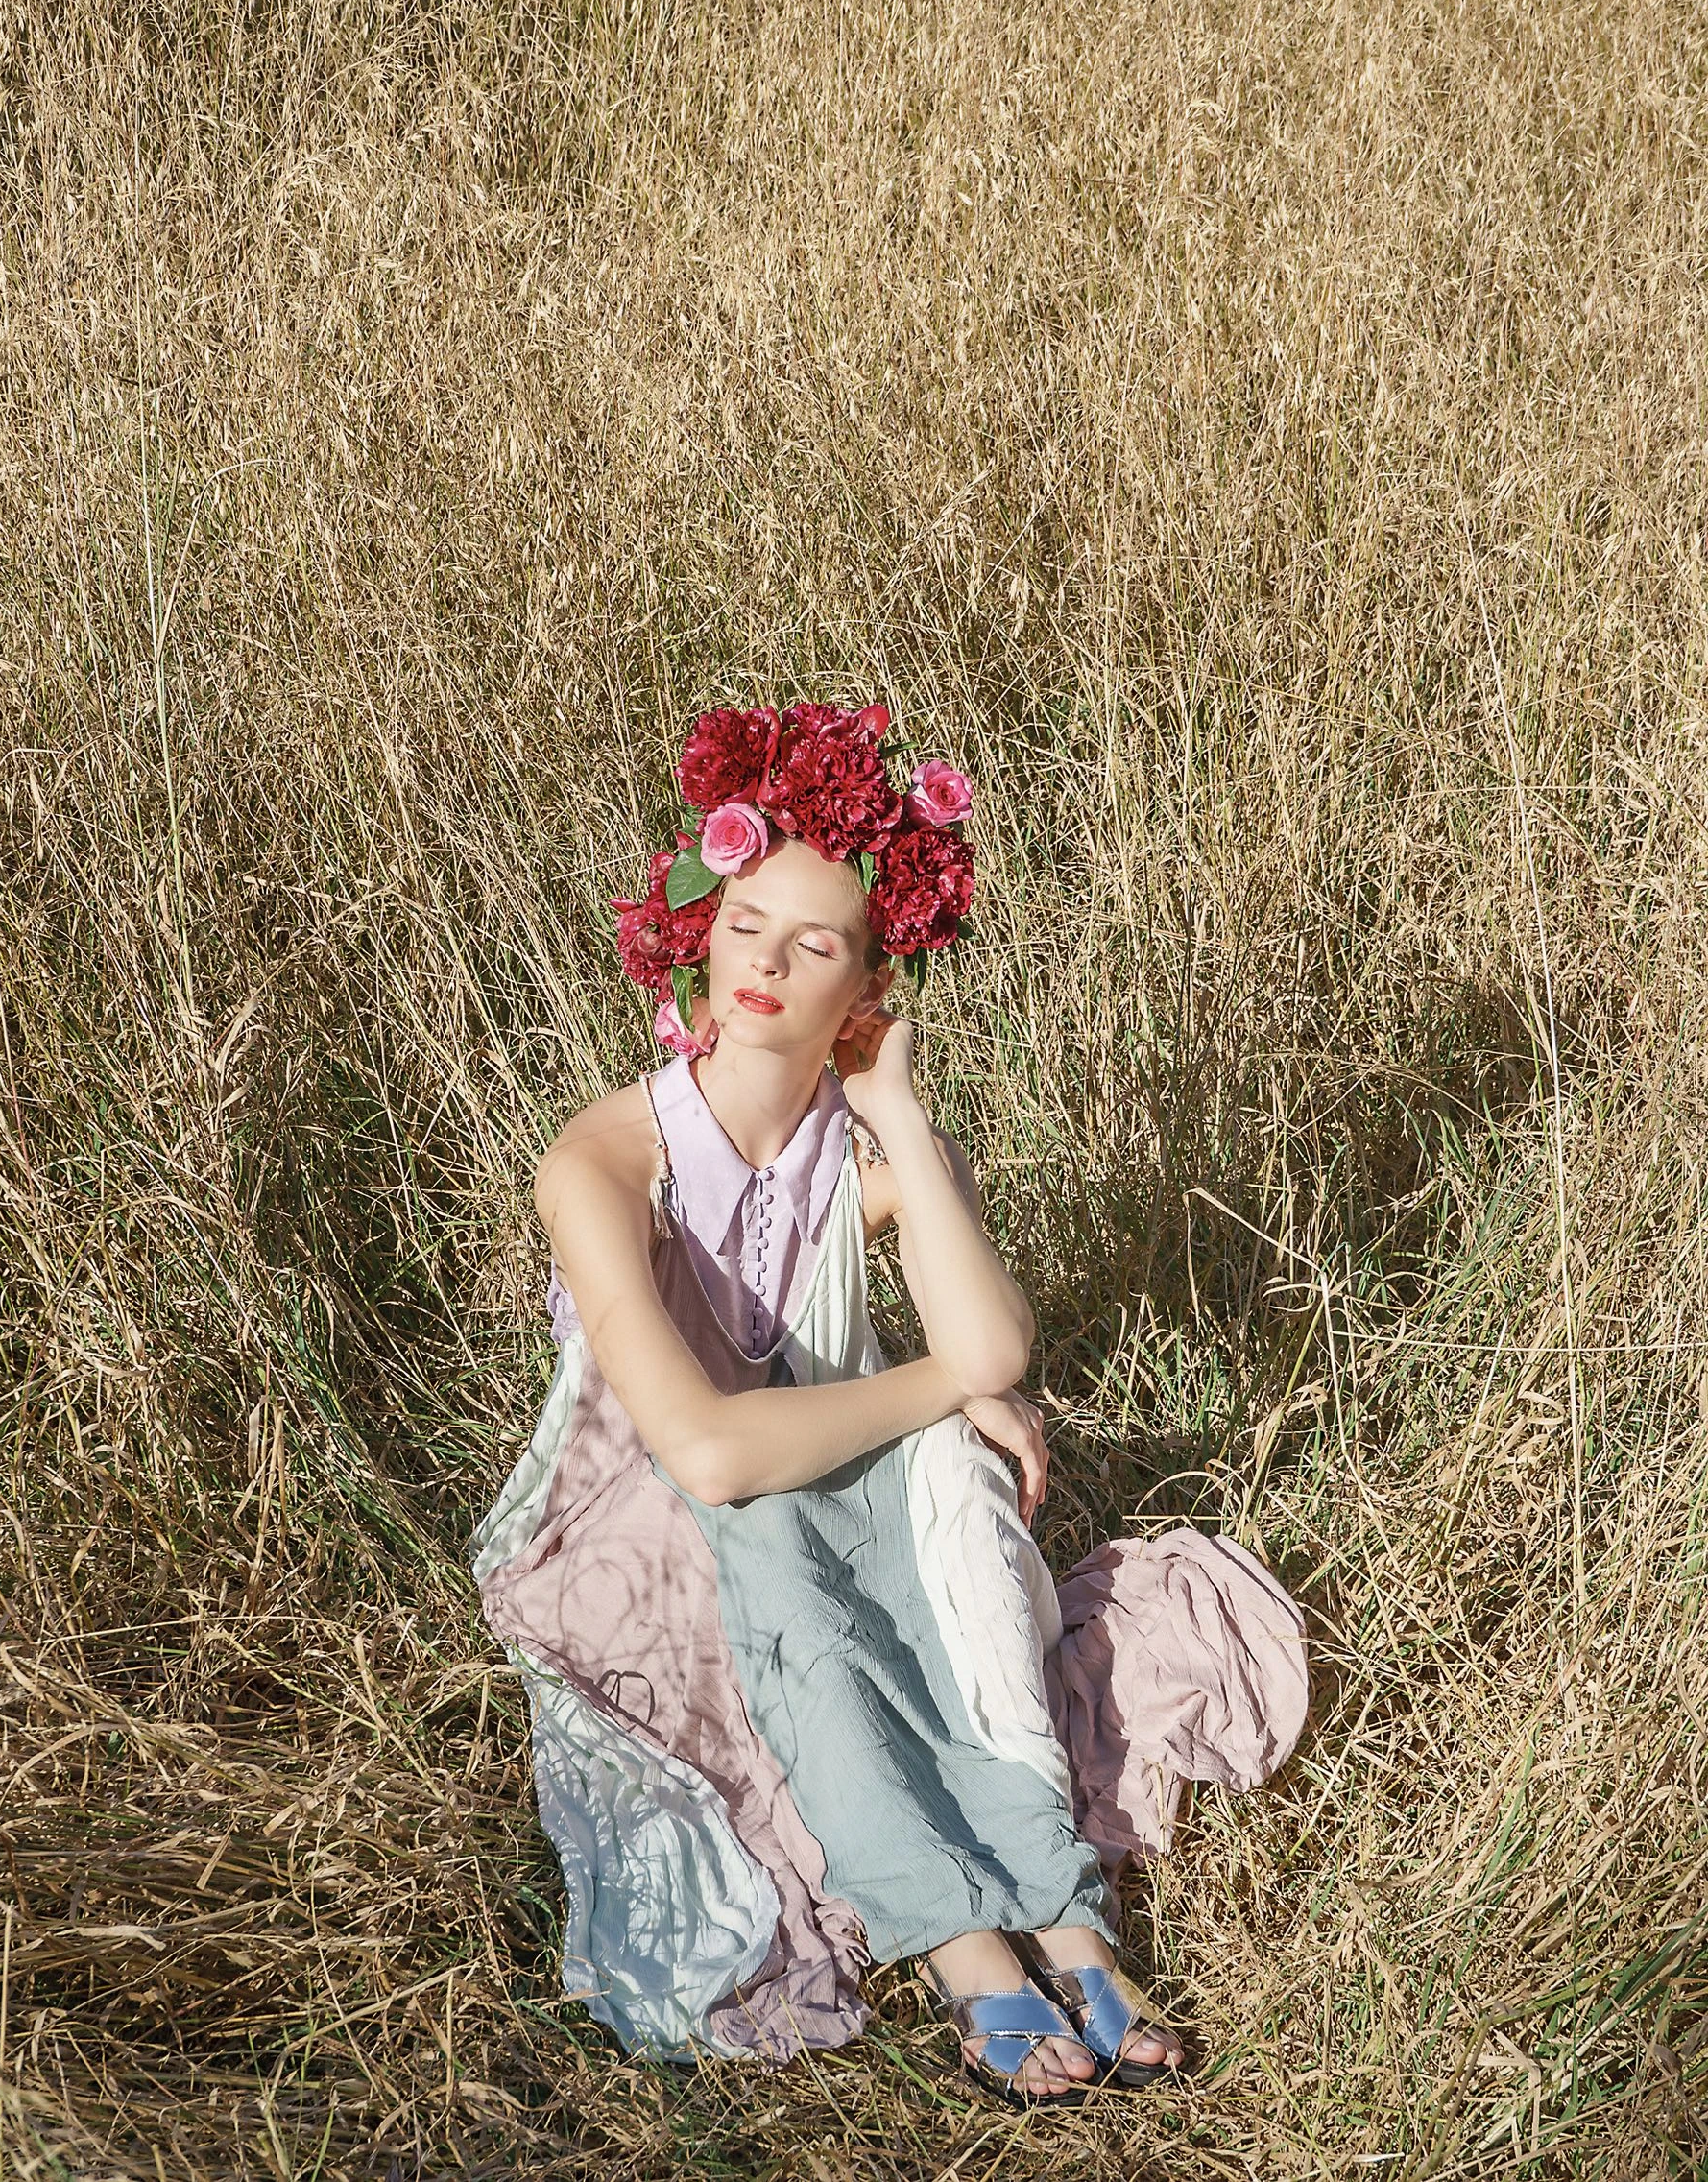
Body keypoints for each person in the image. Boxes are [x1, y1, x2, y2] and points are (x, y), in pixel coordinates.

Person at [470, 704, 1305, 2106]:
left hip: (807, 1443)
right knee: (793, 1537)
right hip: (646, 1508)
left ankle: (1067, 1918)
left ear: (867, 982)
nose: (765, 965)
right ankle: (958, 1941)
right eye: (745, 924)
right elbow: (711, 1449)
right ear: (701, 926)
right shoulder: (604, 1161)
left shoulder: (844, 1141)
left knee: (966, 1500)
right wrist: (937, 1398)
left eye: (816, 945)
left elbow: (996, 1336)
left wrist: (905, 1120)